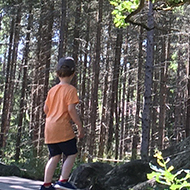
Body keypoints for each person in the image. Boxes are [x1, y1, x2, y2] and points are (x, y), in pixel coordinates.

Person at [40, 57, 84, 190]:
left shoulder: (52, 90)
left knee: (54, 156)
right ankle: (63, 181)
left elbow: (45, 109)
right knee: (72, 153)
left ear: (57, 73)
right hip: (62, 126)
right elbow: (71, 109)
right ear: (73, 73)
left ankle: (46, 185)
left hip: (49, 127)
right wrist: (79, 126)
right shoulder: (70, 90)